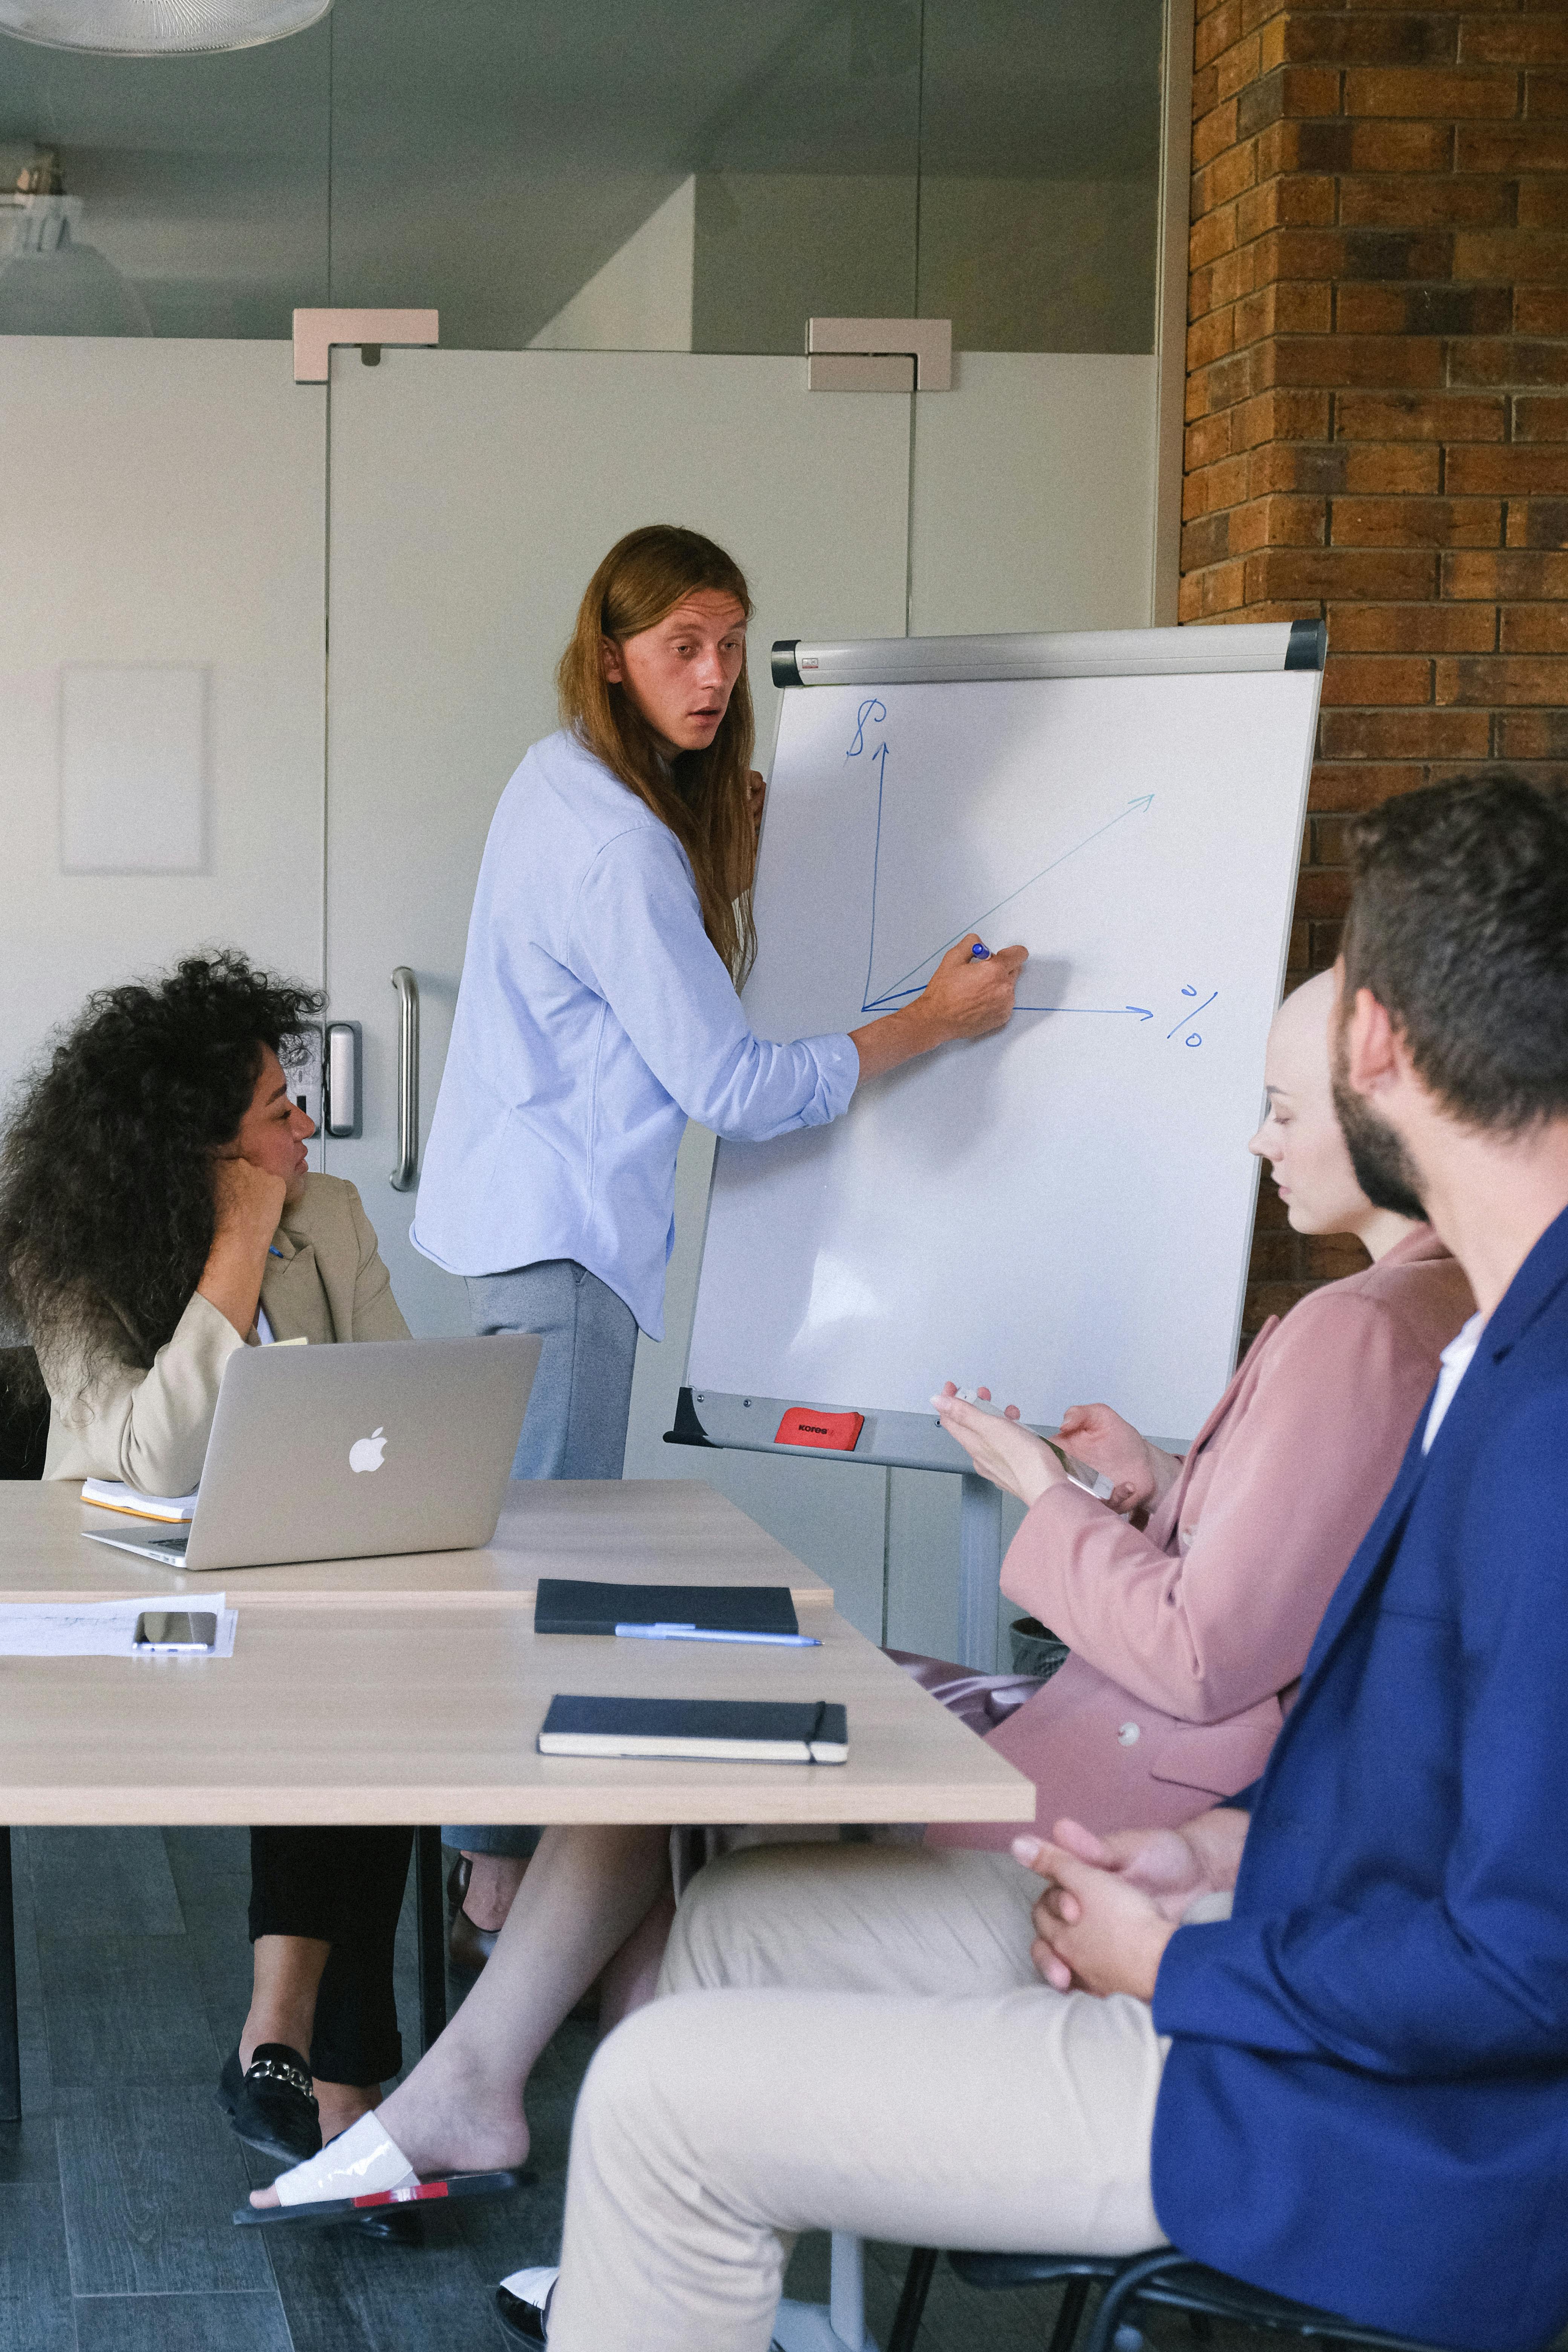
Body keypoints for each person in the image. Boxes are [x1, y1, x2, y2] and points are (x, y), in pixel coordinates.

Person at [473, 770, 1568, 2352]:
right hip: (1279, 1951)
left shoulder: (1532, 1406)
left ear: (1376, 1046)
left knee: (651, 2095)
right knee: (732, 1936)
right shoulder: (1492, 1340)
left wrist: (1182, 1966)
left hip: (1350, 2115)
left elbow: (1527, 1964)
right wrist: (1223, 1863)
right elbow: (1449, 1803)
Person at [250, 929, 1471, 2225]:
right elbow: (1305, 1576)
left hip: (1140, 1787)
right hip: (1158, 1758)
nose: (1259, 1141)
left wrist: (1045, 1492)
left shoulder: (1356, 1331)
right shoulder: (1429, 1305)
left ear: (1379, 1114)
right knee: (687, 1712)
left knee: (681, 1729)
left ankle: (574, 2151)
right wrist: (1163, 1485)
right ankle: (573, 2150)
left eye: (1283, 1111)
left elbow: (1206, 1651)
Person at [412, 523, 1024, 1954]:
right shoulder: (623, 848)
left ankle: (492, 1885)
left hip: (517, 1227)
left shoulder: (559, 774)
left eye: (732, 644)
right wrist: (930, 1023)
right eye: (682, 646)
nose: (715, 676)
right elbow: (734, 1089)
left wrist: (719, 861)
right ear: (613, 654)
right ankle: (497, 1895)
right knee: (539, 1585)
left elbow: (636, 977)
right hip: (566, 1253)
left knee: (519, 1561)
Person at [0, 952, 414, 2169]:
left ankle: (305, 2061)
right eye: (280, 1112)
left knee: (367, 1687)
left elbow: (398, 1407)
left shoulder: (331, 1214)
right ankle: (324, 2075)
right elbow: (154, 1459)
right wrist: (237, 1242)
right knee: (336, 1691)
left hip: (291, 1593)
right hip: (118, 1618)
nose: (307, 1127)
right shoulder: (67, 1253)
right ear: (205, 1150)